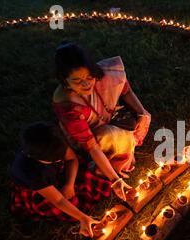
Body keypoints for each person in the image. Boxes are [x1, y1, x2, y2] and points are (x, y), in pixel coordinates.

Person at [52, 42, 151, 200]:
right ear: (65, 81)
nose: (86, 84)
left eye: (89, 77)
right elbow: (91, 147)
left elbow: (127, 92)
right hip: (90, 135)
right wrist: (115, 181)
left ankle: (122, 146)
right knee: (108, 136)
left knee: (144, 117)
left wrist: (141, 113)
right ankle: (106, 166)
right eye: (77, 81)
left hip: (111, 116)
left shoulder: (108, 74)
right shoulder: (68, 104)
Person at [10, 121, 111, 237]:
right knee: (67, 210)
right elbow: (58, 201)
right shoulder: (30, 172)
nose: (59, 159)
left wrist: (69, 184)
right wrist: (83, 217)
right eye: (55, 160)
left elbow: (72, 159)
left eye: (61, 156)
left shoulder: (55, 142)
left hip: (59, 173)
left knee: (89, 178)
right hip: (42, 190)